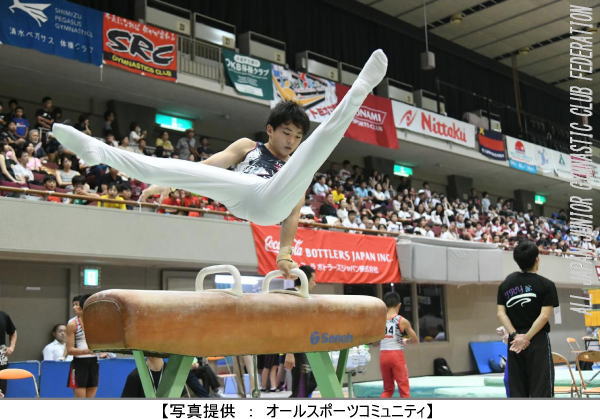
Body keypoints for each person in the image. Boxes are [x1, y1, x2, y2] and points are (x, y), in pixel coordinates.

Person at [50, 50, 388, 277]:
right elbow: (212, 165)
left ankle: (360, 88)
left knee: (314, 155)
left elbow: (294, 211)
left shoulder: (293, 168)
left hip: (273, 203)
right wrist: (167, 182)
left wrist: (284, 253)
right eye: (286, 133)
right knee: (173, 166)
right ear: (270, 129)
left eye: (297, 136)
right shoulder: (247, 146)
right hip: (239, 193)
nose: (291, 141)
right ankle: (99, 152)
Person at [496, 240, 559, 398]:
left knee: (517, 390)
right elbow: (544, 315)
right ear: (537, 259)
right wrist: (527, 338)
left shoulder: (505, 285)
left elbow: (500, 313)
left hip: (514, 342)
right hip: (537, 340)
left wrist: (515, 336)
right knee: (541, 389)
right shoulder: (546, 285)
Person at [284, 265, 319, 398]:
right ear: (304, 280)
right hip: (296, 348)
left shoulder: (307, 298)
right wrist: (289, 352)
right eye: (313, 281)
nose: (315, 284)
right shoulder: (290, 295)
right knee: (301, 388)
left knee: (313, 381)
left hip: (308, 346)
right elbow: (288, 325)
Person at [66, 294, 109, 398]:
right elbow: (70, 350)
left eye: (77, 305)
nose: (74, 307)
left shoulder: (97, 323)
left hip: (93, 363)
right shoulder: (72, 324)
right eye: (74, 305)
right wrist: (89, 351)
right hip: (79, 364)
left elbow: (102, 342)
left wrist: (103, 351)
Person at [380, 292, 418, 398]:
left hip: (383, 355)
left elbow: (374, 341)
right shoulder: (402, 321)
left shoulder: (380, 320)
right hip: (396, 355)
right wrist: (406, 340)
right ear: (399, 305)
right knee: (404, 389)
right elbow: (415, 339)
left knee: (387, 389)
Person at [0, 310, 17, 396]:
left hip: (1, 360)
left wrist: (12, 347)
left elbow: (13, 332)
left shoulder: (3, 315)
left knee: (2, 391)